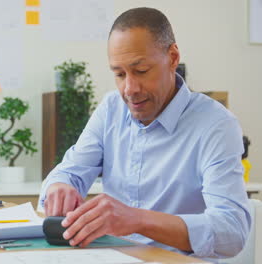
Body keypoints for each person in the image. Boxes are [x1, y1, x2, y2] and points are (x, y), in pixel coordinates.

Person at [39, 7, 251, 259]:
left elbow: (232, 232)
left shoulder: (216, 125)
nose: (130, 88)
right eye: (119, 74)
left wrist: (137, 220)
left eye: (141, 71)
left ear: (172, 57)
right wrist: (60, 187)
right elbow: (68, 173)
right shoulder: (111, 109)